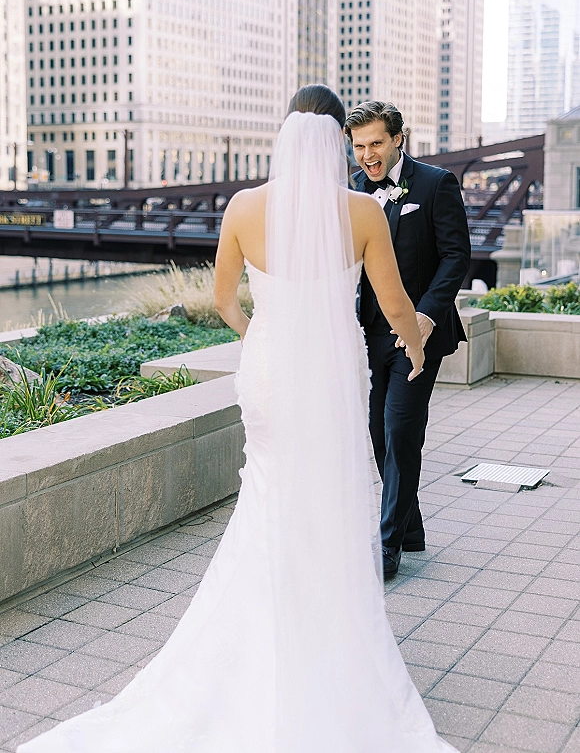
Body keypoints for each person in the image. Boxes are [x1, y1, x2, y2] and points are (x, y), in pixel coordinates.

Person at [18, 86, 457, 753]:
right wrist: (418, 350)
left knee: (271, 500)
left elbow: (222, 297)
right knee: (328, 502)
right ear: (339, 138)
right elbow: (397, 306)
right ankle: (325, 640)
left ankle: (259, 636)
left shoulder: (245, 208)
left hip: (272, 376)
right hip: (331, 376)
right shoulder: (363, 211)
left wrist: (262, 335)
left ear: (283, 136)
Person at [347, 101, 471, 578]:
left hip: (419, 334)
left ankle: (387, 545)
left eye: (376, 143)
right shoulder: (354, 190)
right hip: (368, 333)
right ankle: (411, 526)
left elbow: (456, 257)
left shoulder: (436, 184)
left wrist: (425, 315)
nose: (368, 155)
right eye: (359, 146)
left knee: (400, 429)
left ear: (399, 138)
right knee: (378, 431)